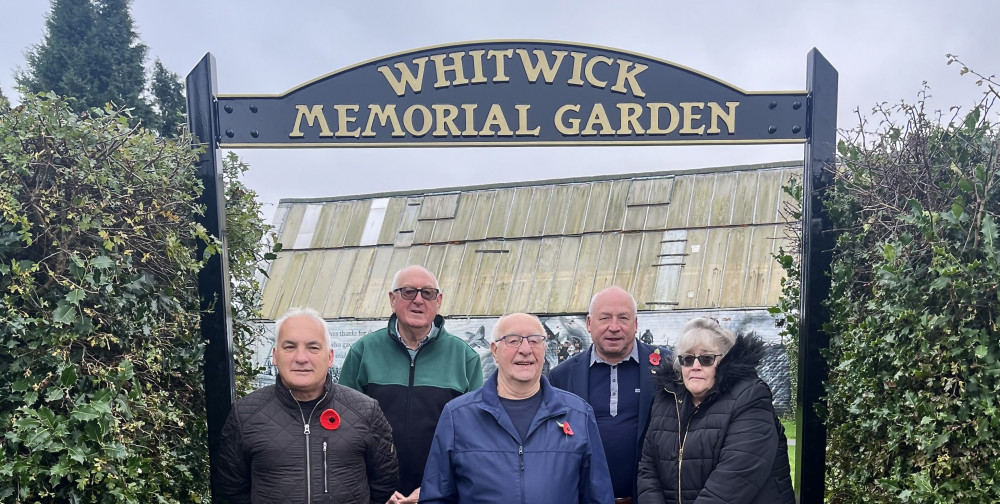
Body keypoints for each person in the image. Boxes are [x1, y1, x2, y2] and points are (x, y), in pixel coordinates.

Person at [420, 313, 614, 504]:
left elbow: (598, 497)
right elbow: (436, 497)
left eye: (535, 341)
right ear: (494, 350)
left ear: (544, 348)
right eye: (513, 340)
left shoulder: (578, 415)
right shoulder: (458, 417)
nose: (525, 349)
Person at [217, 307, 398, 503]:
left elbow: (384, 486)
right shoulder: (244, 415)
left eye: (313, 347)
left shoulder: (366, 411)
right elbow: (231, 492)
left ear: (329, 357)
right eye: (289, 347)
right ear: (275, 356)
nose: (301, 358)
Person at [339, 265, 483, 504]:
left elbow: (474, 438)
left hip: (439, 495)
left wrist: (432, 489)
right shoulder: (363, 352)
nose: (418, 300)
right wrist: (375, 489)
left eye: (427, 293)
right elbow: (344, 431)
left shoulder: (465, 358)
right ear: (392, 299)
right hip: (376, 496)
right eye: (408, 292)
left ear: (438, 301)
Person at [637, 318, 795, 504]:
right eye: (688, 359)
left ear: (724, 361)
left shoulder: (750, 396)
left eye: (706, 359)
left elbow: (736, 476)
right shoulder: (667, 398)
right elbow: (648, 468)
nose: (695, 366)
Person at [549, 285, 664, 504]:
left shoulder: (668, 367)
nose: (614, 327)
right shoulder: (561, 377)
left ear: (636, 324)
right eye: (605, 318)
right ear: (589, 324)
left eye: (623, 318)